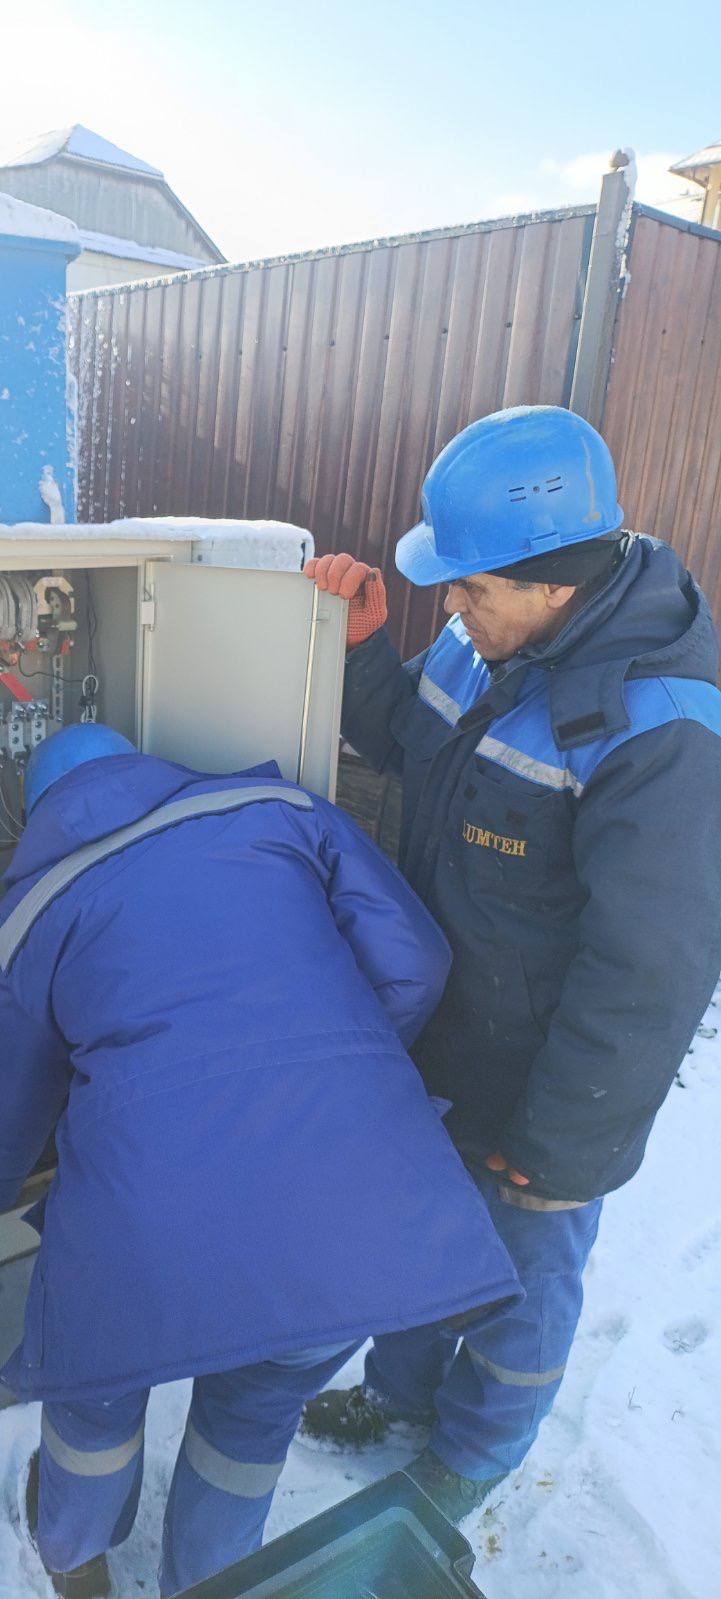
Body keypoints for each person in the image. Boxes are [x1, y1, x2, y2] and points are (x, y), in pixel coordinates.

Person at [0, 721, 521, 1598]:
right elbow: (415, 962)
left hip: (145, 1228)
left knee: (97, 1396)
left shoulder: (40, 909)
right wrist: (329, 1070)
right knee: (254, 1414)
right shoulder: (281, 809)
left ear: (41, 816)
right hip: (347, 1209)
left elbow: (4, 1099)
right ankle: (210, 1583)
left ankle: (75, 1555)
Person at [301, 404, 721, 1519]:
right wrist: (362, 651)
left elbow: (652, 969)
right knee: (419, 1233)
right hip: (446, 1034)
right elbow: (408, 742)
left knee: (519, 1280)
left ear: (553, 584)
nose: (451, 607)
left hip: (543, 1082)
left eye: (470, 588)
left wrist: (565, 1145)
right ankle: (398, 1393)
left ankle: (473, 1454)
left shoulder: (659, 727)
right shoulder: (487, 635)